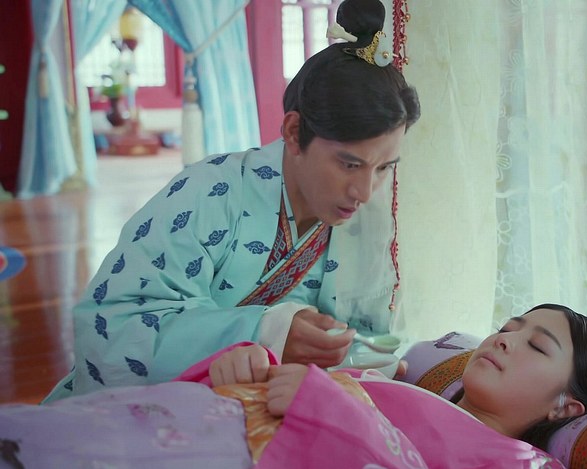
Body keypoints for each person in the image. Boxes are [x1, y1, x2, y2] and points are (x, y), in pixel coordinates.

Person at [43, 0, 420, 402]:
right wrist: (265, 331)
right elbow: (113, 328)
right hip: (159, 414)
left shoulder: (370, 218)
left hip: (278, 412)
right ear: (294, 133)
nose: (364, 192)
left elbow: (370, 341)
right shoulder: (209, 192)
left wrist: (362, 365)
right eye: (349, 164)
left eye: (383, 168)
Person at [1, 305, 587, 468]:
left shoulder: (521, 462)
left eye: (535, 344)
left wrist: (328, 408)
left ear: (566, 407)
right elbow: (309, 385)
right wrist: (250, 360)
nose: (504, 339)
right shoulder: (414, 389)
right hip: (212, 414)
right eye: (509, 326)